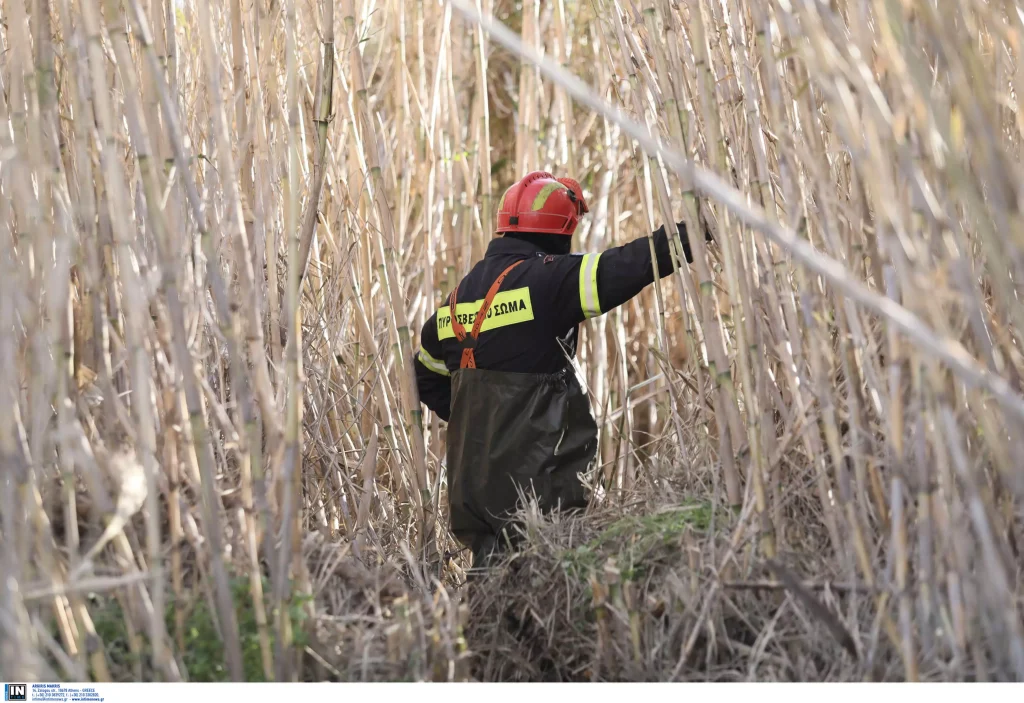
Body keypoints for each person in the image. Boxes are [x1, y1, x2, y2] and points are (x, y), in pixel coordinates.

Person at [414, 171, 711, 572]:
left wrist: (483, 417)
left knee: (490, 584)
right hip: (539, 485)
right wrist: (696, 230)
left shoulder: (454, 302)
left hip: (475, 491)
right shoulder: (548, 281)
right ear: (561, 233)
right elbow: (626, 265)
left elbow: (426, 376)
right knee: (547, 582)